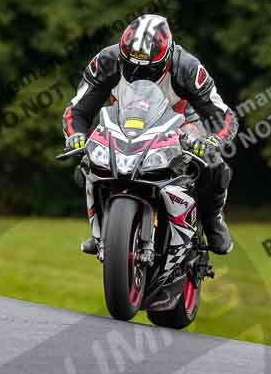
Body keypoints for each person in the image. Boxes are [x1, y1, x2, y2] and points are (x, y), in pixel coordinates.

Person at [62, 14, 238, 255]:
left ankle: (213, 222)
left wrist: (213, 141)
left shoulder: (187, 67)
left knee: (215, 167)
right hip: (122, 126)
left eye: (149, 69)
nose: (139, 73)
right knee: (85, 165)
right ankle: (103, 231)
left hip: (182, 126)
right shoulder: (106, 60)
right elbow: (77, 110)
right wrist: (75, 135)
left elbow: (224, 116)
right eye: (131, 67)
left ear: (165, 59)